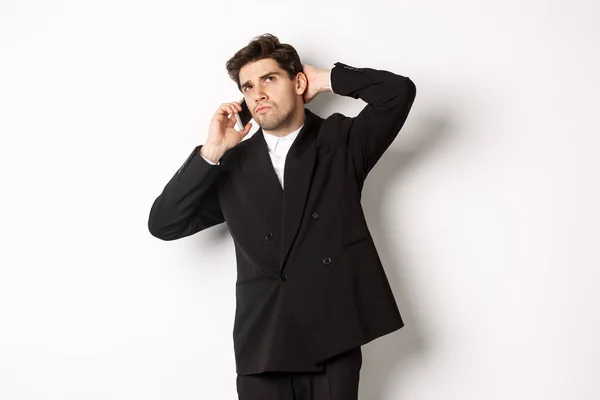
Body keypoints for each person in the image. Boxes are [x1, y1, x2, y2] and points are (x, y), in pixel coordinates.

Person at [148, 33, 417, 400]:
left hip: (332, 340)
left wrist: (325, 80)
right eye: (247, 86)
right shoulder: (231, 166)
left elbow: (397, 93)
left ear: (297, 82)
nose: (257, 93)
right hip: (264, 346)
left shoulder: (341, 142)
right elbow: (164, 223)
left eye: (269, 79)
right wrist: (210, 153)